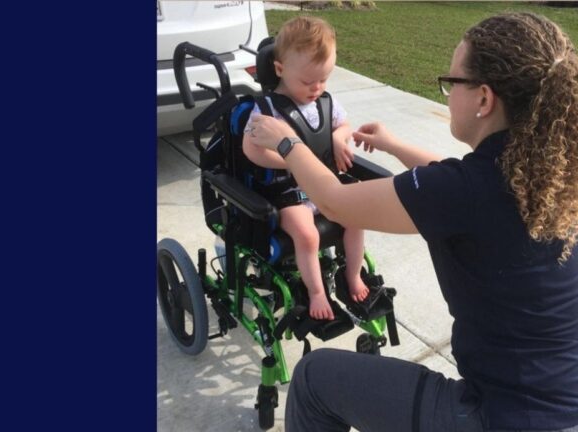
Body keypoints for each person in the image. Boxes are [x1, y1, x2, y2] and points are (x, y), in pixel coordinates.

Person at [248, 12, 578, 432]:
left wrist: (286, 141)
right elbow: (453, 176)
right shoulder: (551, 171)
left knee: (313, 378)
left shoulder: (464, 191)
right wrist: (392, 144)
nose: (446, 93)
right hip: (563, 401)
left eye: (451, 82)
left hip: (501, 415)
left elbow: (335, 202)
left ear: (484, 99)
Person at [242, 16, 369, 322]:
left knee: (358, 216)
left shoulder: (326, 102)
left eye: (324, 80)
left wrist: (340, 138)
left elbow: (344, 126)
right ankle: (315, 292)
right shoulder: (267, 110)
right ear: (280, 69)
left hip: (324, 184)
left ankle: (352, 275)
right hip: (286, 191)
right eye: (308, 81)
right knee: (308, 235)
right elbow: (251, 149)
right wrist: (292, 160)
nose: (316, 88)